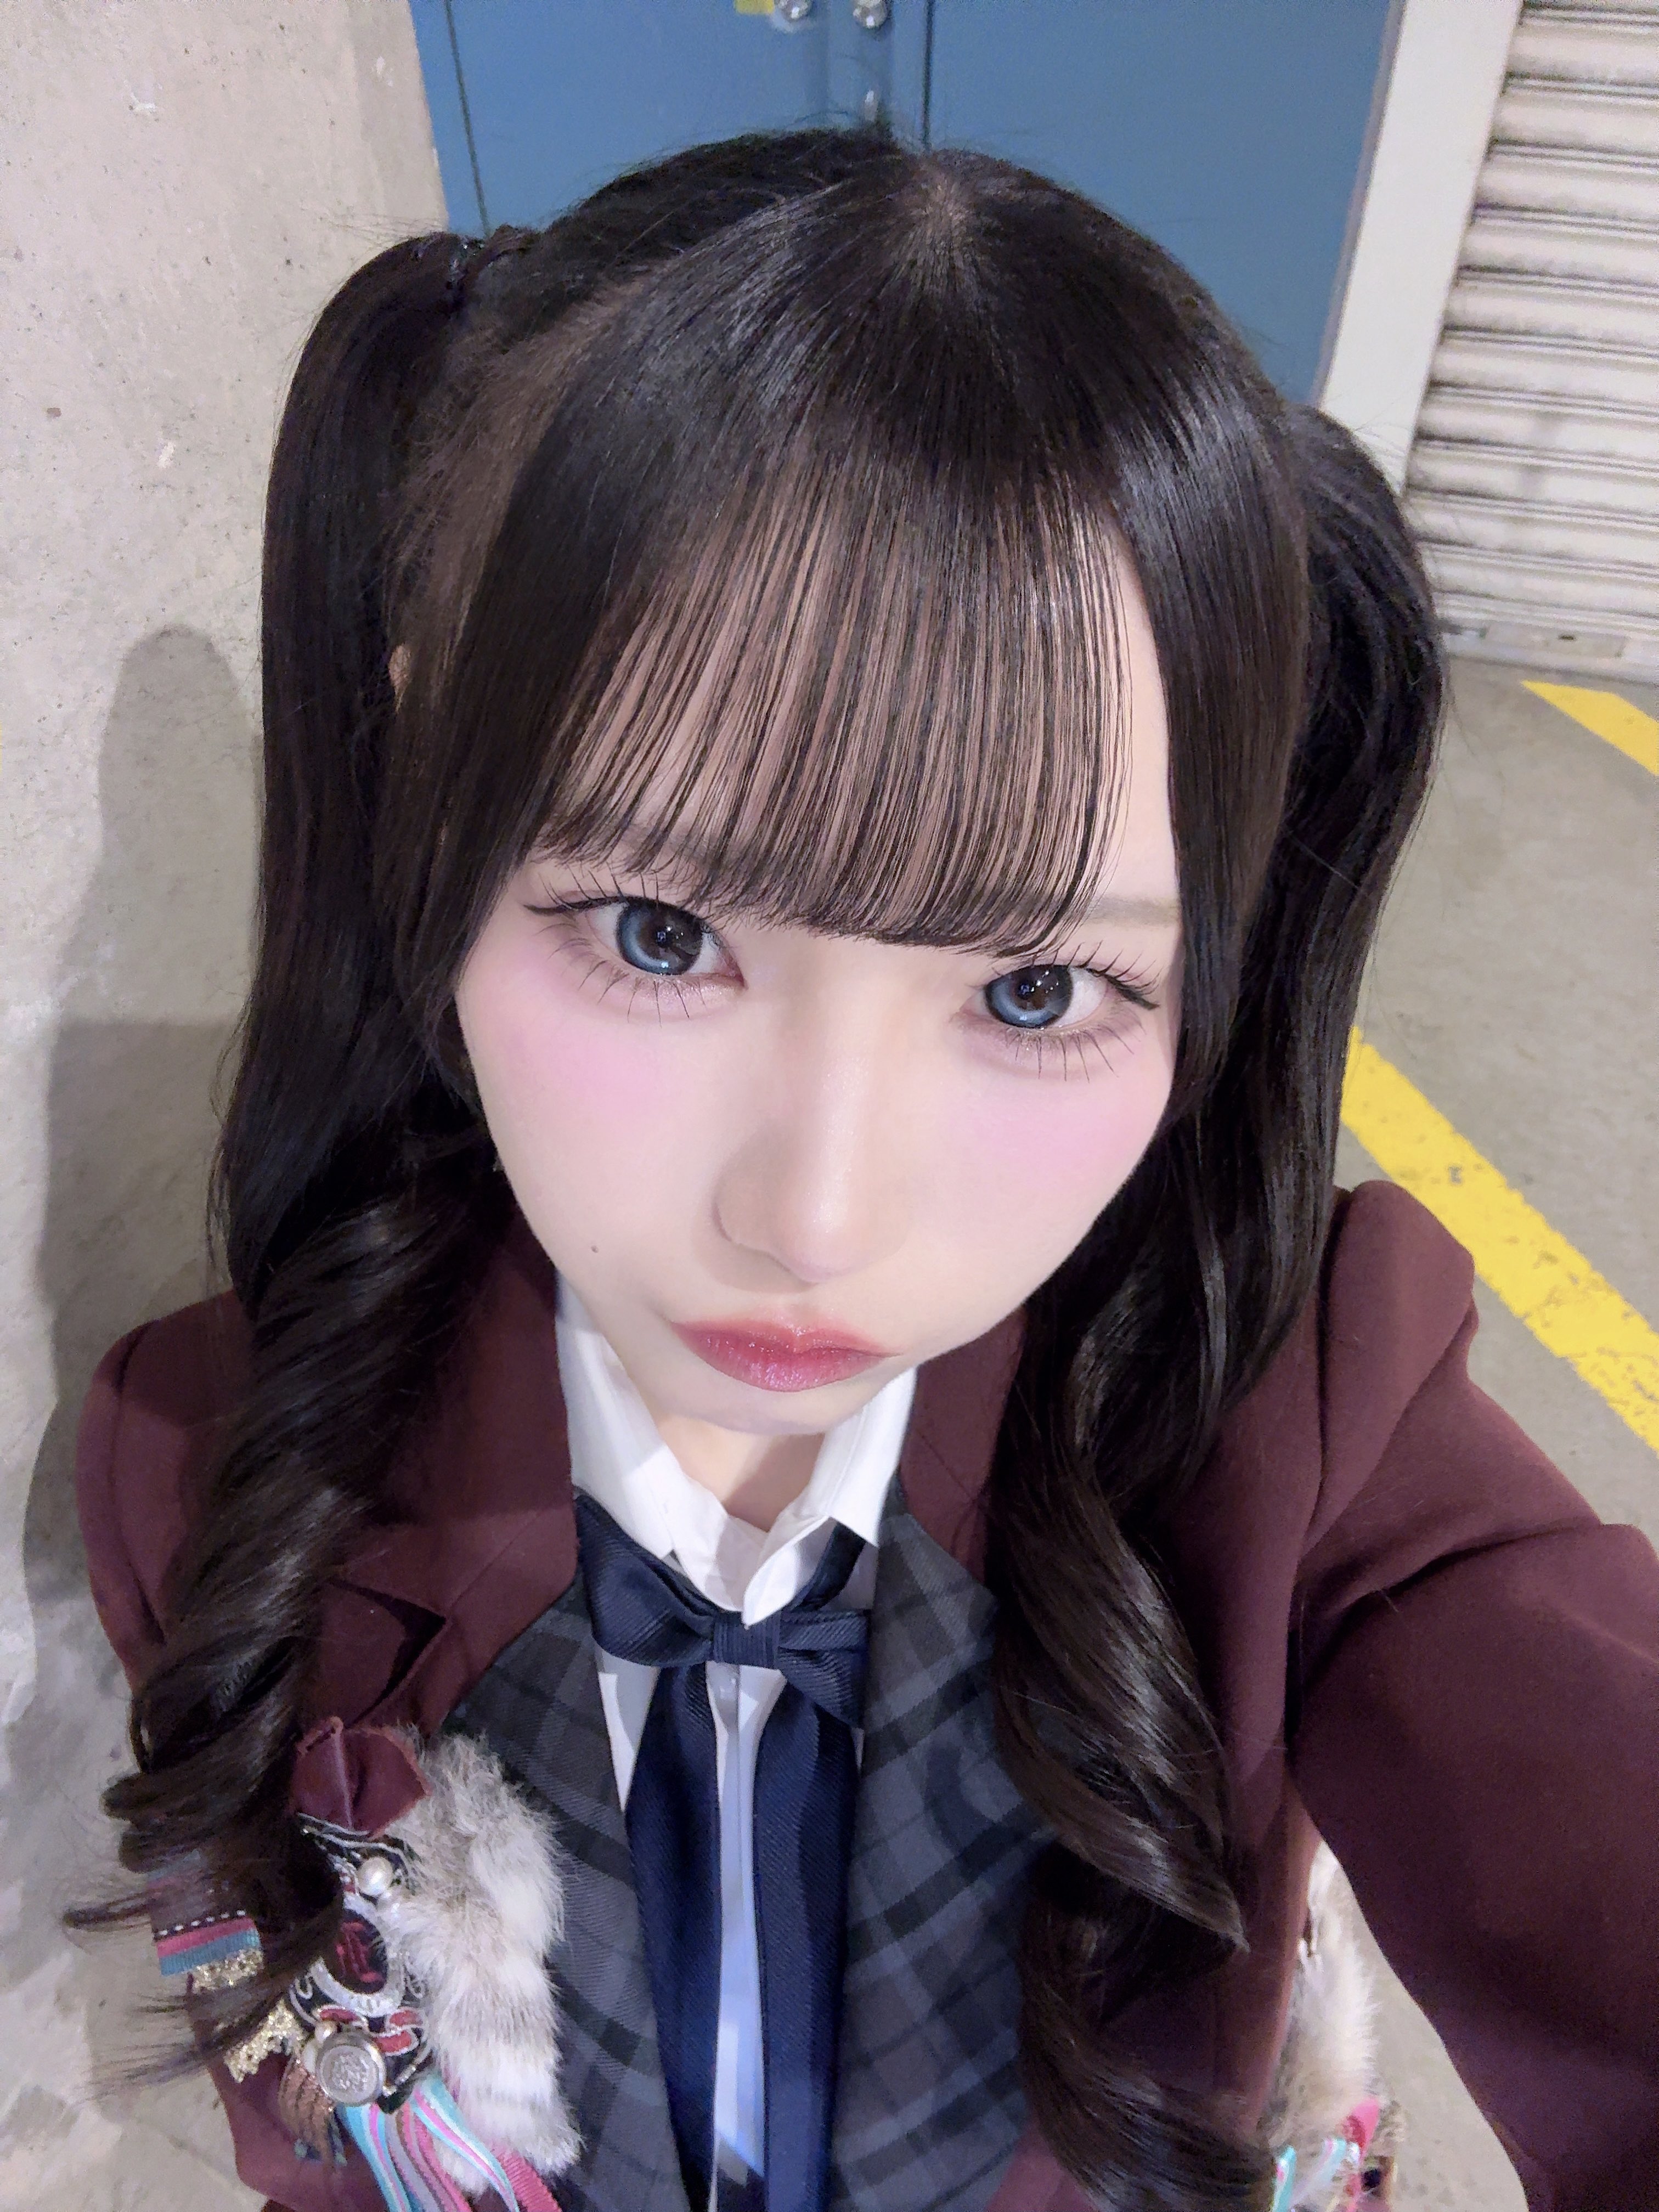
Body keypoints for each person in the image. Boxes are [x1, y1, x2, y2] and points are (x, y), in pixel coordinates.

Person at [73, 130, 1657, 2212]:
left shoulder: (1301, 1437)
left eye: (1035, 990)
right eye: (661, 934)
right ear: (418, 790)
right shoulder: (202, 1469)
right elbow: (312, 2086)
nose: (817, 1220)